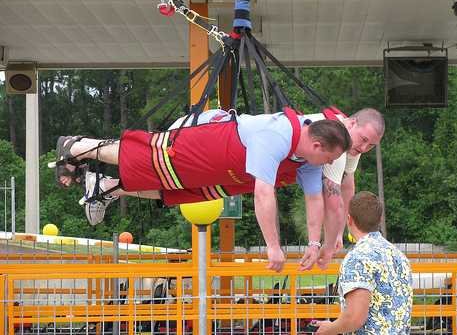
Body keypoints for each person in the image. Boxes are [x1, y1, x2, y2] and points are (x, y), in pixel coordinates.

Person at [54, 107, 351, 272]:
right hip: (207, 139)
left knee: (178, 191)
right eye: (331, 158)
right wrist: (273, 246)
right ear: (317, 145)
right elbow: (264, 194)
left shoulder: (308, 161)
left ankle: (105, 186)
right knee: (151, 159)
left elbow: (315, 199)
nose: (330, 165)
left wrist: (315, 244)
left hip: (225, 170)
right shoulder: (277, 135)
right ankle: (77, 146)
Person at [313, 191, 413, 334]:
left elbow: (355, 317)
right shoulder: (400, 257)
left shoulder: (357, 259)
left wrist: (330, 329)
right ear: (379, 220)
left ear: (349, 219)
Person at [311, 108, 385, 269]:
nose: (364, 148)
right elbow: (332, 200)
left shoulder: (353, 144)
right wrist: (328, 244)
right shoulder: (336, 139)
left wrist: (339, 233)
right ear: (351, 123)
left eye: (371, 145)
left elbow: (347, 185)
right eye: (363, 139)